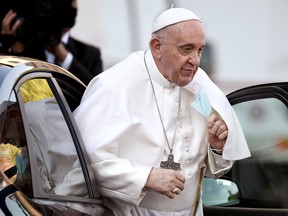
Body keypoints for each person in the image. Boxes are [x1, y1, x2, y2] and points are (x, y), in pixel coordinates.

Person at [73, 7, 251, 216]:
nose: (195, 60)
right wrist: (146, 177)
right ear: (157, 47)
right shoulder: (115, 85)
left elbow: (213, 170)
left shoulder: (200, 88)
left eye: (200, 50)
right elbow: (86, 163)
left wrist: (217, 148)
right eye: (186, 49)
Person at [0, 0, 103, 85]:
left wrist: (64, 56)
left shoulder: (90, 54)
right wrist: (12, 49)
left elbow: (96, 92)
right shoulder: (18, 46)